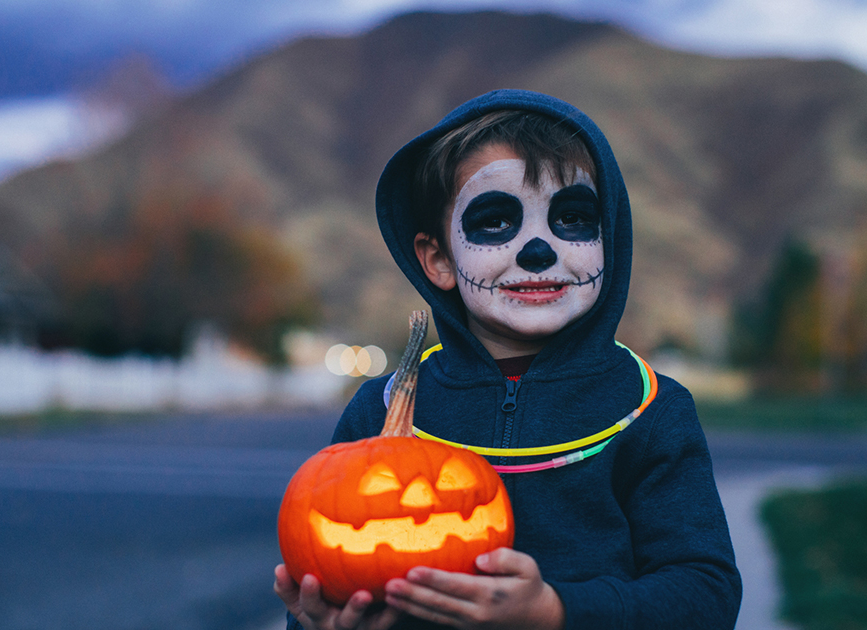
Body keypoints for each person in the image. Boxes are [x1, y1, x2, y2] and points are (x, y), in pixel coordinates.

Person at [274, 89, 742, 629]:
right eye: (496, 222)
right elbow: (326, 570)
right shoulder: (377, 414)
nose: (538, 249)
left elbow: (706, 595)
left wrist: (557, 612)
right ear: (438, 260)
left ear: (608, 240)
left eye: (571, 218)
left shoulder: (652, 412)